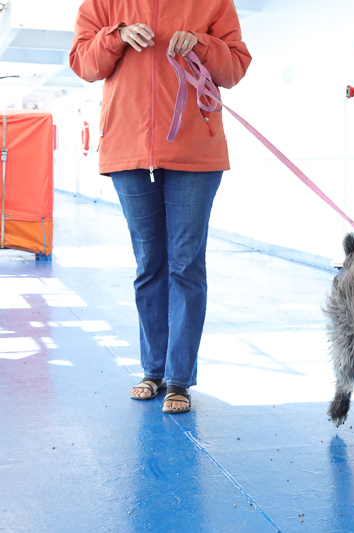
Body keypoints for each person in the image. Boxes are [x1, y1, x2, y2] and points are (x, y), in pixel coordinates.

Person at [69, 0, 252, 413]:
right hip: (128, 151)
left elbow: (235, 67)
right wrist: (114, 37)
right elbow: (83, 64)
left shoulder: (212, 3)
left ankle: (180, 379)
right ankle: (152, 370)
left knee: (185, 263)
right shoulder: (102, 3)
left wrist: (202, 44)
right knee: (149, 262)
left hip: (195, 153)